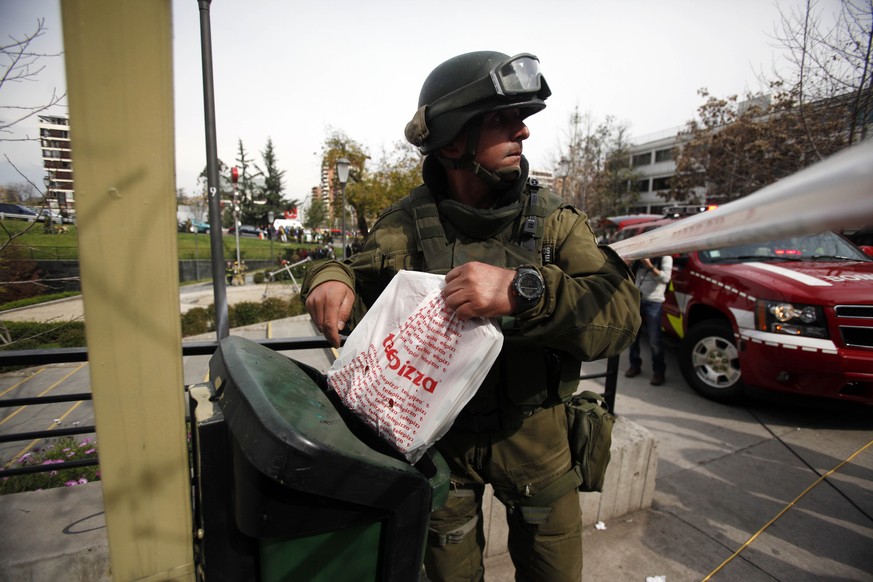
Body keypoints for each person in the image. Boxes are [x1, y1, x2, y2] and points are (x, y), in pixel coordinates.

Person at [302, 51, 640, 582]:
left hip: (537, 440)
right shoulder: (403, 227)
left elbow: (620, 315)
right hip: (441, 450)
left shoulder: (553, 223)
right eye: (502, 120)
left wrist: (524, 291)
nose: (523, 132)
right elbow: (346, 271)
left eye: (522, 118)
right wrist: (328, 278)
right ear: (454, 139)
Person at [625, 256, 672, 385]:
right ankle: (634, 365)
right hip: (637, 299)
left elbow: (665, 279)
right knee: (633, 336)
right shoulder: (640, 257)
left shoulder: (665, 258)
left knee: (654, 340)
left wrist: (649, 265)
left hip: (654, 302)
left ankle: (658, 372)